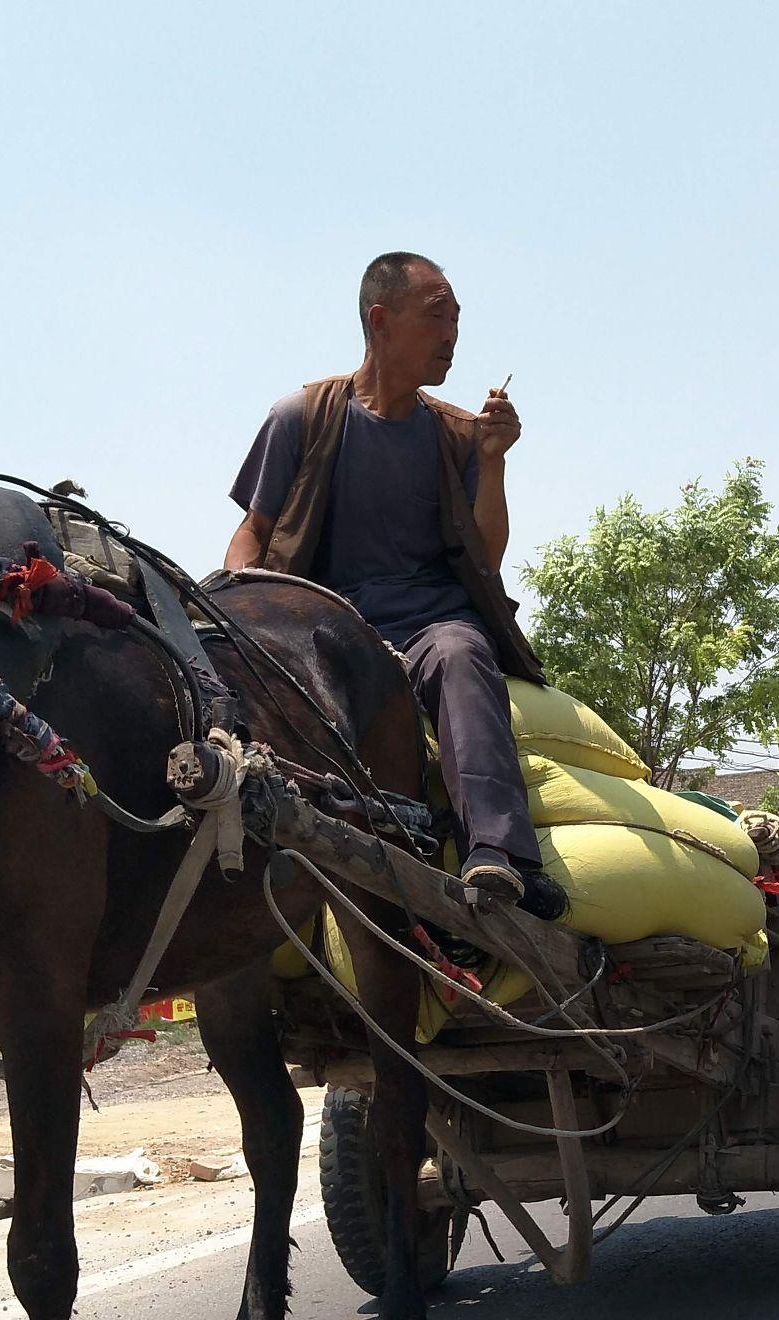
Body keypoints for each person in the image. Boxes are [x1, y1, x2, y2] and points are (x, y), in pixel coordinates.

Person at [225, 251, 553, 910]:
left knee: (463, 655)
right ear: (380, 321)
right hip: (324, 628)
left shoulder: (457, 434)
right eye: (437, 317)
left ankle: (498, 856)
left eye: (457, 319)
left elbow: (486, 559)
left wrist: (492, 465)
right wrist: (242, 599)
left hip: (431, 625)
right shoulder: (303, 416)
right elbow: (251, 536)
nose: (451, 336)